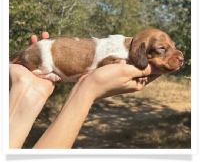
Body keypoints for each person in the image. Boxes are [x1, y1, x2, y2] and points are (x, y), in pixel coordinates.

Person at [9, 32, 163, 149]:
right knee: (45, 60)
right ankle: (42, 68)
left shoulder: (121, 49)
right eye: (162, 49)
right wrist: (89, 89)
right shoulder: (119, 52)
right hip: (43, 55)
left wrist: (26, 89)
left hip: (42, 61)